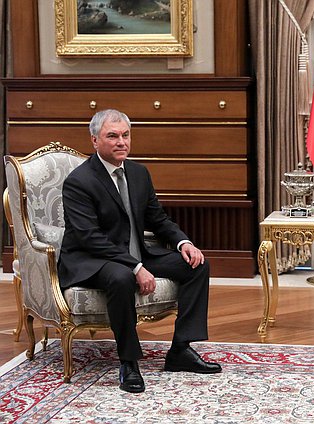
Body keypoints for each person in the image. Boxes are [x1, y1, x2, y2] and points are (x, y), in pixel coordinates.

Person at [58, 109, 221, 393]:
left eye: (125, 135)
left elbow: (157, 219)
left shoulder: (138, 173)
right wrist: (136, 268)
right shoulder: (79, 181)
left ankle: (181, 349)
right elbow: (90, 238)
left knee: (197, 265)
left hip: (137, 254)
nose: (121, 142)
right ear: (95, 140)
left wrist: (185, 243)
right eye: (112, 136)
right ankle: (129, 362)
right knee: (121, 278)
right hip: (94, 260)